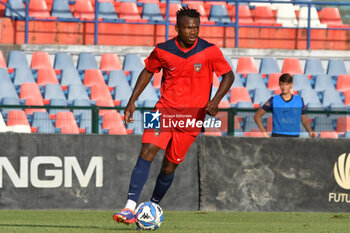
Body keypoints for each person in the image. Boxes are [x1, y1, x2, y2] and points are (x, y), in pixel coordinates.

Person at [113, 7, 234, 224]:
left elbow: (228, 76)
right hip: (163, 110)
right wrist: (132, 100)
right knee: (147, 150)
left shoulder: (210, 51)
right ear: (177, 28)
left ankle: (152, 206)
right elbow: (148, 70)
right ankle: (129, 207)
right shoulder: (162, 50)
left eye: (196, 27)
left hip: (192, 118)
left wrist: (215, 100)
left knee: (169, 166)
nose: (193, 32)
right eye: (188, 27)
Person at [254, 73, 317, 138]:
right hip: (277, 137)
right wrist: (265, 134)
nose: (284, 87)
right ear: (279, 84)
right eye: (282, 84)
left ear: (291, 85)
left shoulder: (299, 100)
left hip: (294, 137)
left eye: (286, 84)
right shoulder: (273, 100)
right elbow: (257, 116)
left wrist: (310, 131)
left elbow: (304, 119)